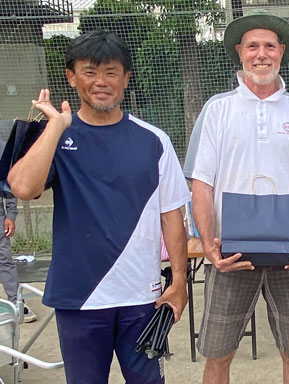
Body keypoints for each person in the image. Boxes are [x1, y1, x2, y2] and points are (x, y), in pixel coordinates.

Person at [7, 31, 190, 384]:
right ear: (71, 77)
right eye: (89, 72)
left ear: (126, 78)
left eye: (111, 72)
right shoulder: (55, 135)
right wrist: (56, 126)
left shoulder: (153, 140)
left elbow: (172, 215)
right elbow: (23, 188)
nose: (101, 82)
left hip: (143, 296)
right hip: (79, 297)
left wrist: (179, 279)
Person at [183, 9, 289, 384]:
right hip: (231, 250)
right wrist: (207, 246)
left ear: (281, 51)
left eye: (269, 45)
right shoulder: (217, 110)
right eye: (252, 46)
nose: (261, 54)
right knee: (217, 353)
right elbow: (201, 182)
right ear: (240, 52)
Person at [0, 140, 36, 322]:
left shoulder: (1, 148)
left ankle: (16, 304)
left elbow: (10, 182)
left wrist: (11, 214)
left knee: (4, 260)